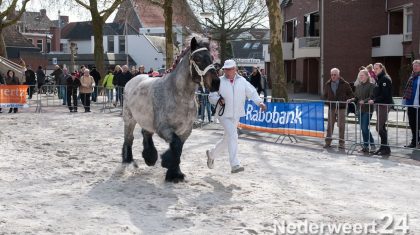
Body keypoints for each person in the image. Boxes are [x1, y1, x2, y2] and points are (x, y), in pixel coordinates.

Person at [206, 59, 266, 173]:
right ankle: (235, 164)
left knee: (227, 139)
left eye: (229, 69)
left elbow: (252, 92)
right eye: (225, 69)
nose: (227, 72)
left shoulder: (242, 81)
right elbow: (211, 96)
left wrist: (260, 102)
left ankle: (211, 154)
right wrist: (218, 100)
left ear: (235, 69)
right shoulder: (218, 81)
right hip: (223, 114)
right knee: (233, 135)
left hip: (236, 114)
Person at [323, 68, 353, 149]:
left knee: (341, 125)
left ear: (338, 75)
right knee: (330, 125)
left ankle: (341, 143)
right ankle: (328, 142)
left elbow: (351, 94)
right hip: (332, 107)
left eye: (335, 75)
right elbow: (324, 96)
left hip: (341, 107)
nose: (333, 76)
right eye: (332, 75)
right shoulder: (328, 84)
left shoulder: (345, 84)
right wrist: (327, 102)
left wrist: (345, 99)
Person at [368, 63, 394, 156]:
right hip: (380, 105)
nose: (375, 70)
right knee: (382, 127)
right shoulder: (378, 79)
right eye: (374, 69)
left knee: (379, 127)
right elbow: (376, 93)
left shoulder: (385, 79)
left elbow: (385, 95)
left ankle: (385, 148)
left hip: (384, 105)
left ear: (381, 68)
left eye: (377, 68)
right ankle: (384, 148)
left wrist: (374, 100)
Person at [347, 69, 376, 152]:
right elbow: (356, 97)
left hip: (368, 109)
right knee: (364, 128)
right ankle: (366, 146)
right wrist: (351, 99)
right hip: (359, 109)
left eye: (362, 75)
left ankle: (372, 144)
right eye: (359, 75)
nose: (360, 77)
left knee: (364, 128)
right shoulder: (358, 86)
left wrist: (365, 101)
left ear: (367, 76)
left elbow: (372, 96)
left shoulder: (372, 85)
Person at [402, 59, 420, 148]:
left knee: (419, 123)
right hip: (411, 104)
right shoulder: (412, 76)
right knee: (412, 124)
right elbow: (407, 90)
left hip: (419, 105)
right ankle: (414, 141)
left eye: (417, 66)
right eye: (414, 66)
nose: (415, 67)